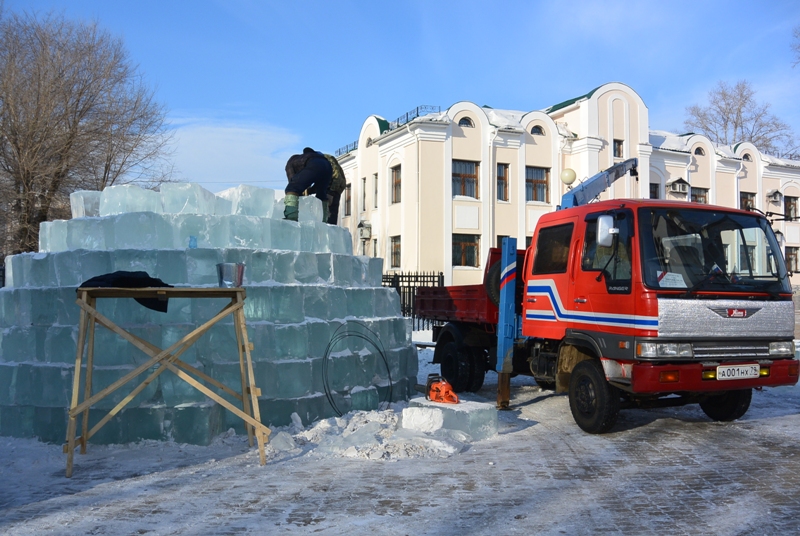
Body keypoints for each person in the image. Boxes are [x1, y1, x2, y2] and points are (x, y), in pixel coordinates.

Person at [284, 147, 332, 222]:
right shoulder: (312, 156)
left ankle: (291, 218)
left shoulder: (292, 161)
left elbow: (292, 181)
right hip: (328, 166)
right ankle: (324, 221)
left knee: (291, 188)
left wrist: (297, 193)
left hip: (314, 164)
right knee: (321, 193)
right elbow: (315, 187)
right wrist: (309, 191)